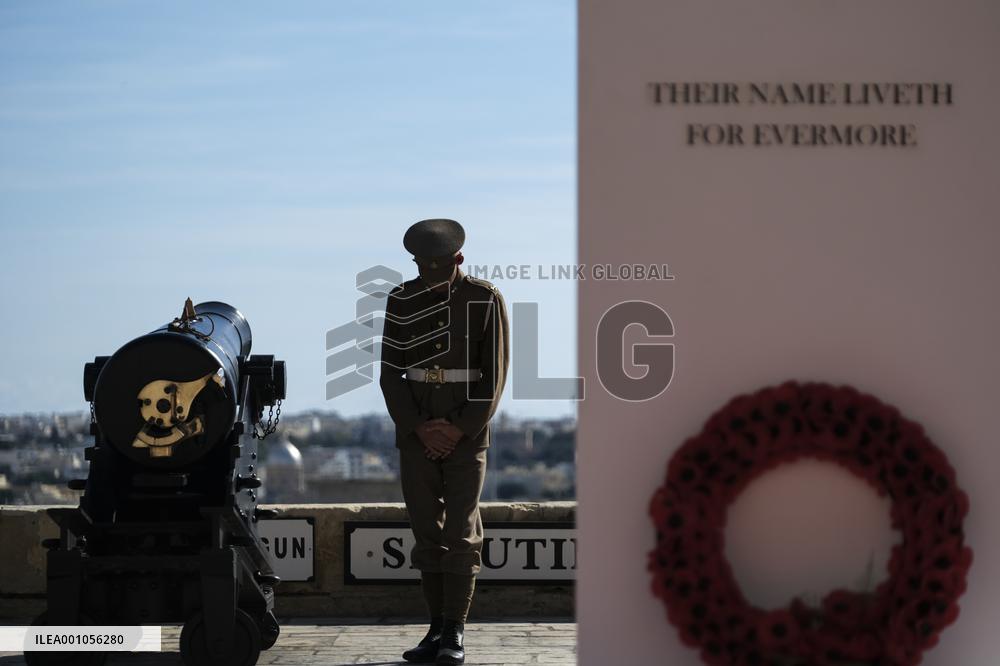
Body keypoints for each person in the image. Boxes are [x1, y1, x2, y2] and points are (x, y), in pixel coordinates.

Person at [379, 218, 509, 665]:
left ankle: (455, 629)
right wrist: (418, 427)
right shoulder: (401, 300)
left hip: (466, 435)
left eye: (440, 268)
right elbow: (390, 373)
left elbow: (493, 375)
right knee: (425, 532)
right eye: (423, 268)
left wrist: (457, 429)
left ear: (459, 260)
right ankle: (435, 630)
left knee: (460, 532)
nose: (431, 279)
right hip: (416, 433)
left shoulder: (483, 298)